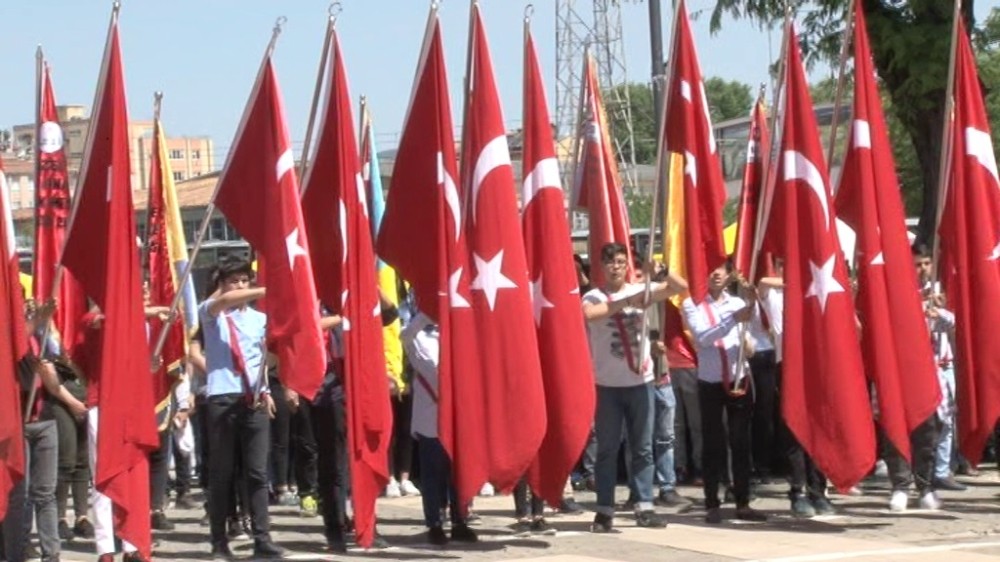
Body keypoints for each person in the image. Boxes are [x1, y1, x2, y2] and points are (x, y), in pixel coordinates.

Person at [581, 242, 687, 533]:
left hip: (641, 382)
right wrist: (626, 301)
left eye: (619, 261)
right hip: (608, 385)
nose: (615, 266)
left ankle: (644, 505)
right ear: (601, 267)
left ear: (626, 265)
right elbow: (591, 315)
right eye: (610, 262)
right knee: (607, 448)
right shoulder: (593, 295)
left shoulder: (639, 289)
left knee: (643, 447)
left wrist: (660, 270)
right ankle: (604, 509)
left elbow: (679, 286)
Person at [198, 257, 283, 560]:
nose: (240, 286)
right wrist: (264, 289)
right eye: (234, 281)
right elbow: (226, 301)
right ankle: (219, 540)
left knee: (258, 472)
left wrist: (267, 390)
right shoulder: (212, 312)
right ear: (221, 285)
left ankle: (262, 537)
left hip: (254, 399)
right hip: (223, 399)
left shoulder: (260, 319)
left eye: (245, 280)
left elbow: (261, 360)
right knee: (222, 473)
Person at [681, 261, 766, 524]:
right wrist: (731, 320)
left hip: (739, 378)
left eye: (721, 269)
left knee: (740, 442)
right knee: (712, 443)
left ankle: (742, 501)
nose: (716, 273)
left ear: (730, 275)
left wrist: (752, 310)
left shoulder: (738, 304)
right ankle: (711, 502)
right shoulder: (692, 304)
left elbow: (752, 336)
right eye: (710, 268)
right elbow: (703, 337)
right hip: (711, 381)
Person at [401, 311, 478, 546]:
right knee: (432, 476)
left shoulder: (460, 337)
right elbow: (405, 336)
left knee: (458, 474)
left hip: (457, 418)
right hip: (430, 420)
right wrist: (428, 311)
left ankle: (459, 521)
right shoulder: (420, 337)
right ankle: (434, 524)